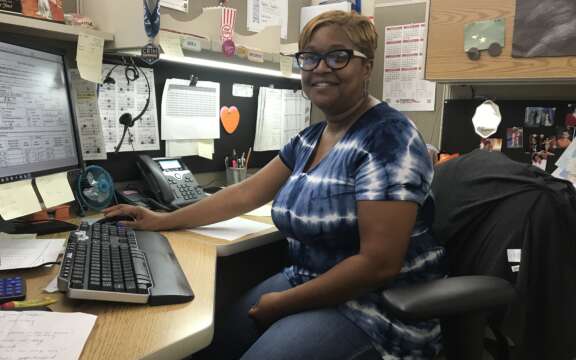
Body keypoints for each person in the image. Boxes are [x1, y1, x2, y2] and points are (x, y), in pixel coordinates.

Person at [104, 10, 445, 359]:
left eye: (338, 56)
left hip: (377, 309)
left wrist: (282, 303)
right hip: (306, 279)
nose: (320, 68)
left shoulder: (389, 137)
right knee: (210, 348)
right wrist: (160, 220)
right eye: (310, 57)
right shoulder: (310, 138)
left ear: (366, 66)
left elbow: (378, 264)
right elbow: (244, 193)